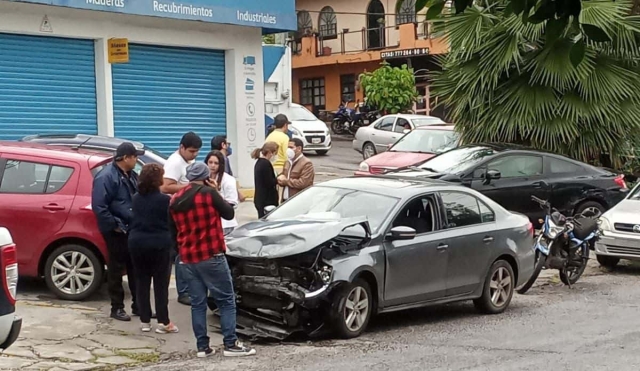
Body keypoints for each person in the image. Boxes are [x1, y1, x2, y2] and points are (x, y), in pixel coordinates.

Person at [169, 162, 256, 358]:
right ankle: (230, 343)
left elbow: (172, 230)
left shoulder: (175, 199)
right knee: (226, 300)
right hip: (211, 255)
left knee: (198, 303)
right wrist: (217, 191)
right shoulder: (209, 194)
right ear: (206, 177)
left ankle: (202, 347)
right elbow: (229, 213)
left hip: (188, 258)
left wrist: (182, 251)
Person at [92, 142, 143, 322]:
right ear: (127, 158)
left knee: (135, 268)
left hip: (132, 228)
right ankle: (117, 307)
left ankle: (139, 305)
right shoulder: (106, 177)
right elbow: (99, 206)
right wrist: (114, 225)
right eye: (135, 156)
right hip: (117, 230)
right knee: (116, 268)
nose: (137, 160)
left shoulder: (131, 175)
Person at [128, 164, 178, 334]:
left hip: (137, 242)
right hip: (159, 243)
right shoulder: (165, 200)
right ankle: (163, 321)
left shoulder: (135, 198)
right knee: (160, 283)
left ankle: (145, 320)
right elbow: (171, 223)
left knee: (141, 281)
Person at [161, 131, 203, 306]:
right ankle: (183, 291)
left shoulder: (187, 160)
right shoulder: (174, 163)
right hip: (176, 214)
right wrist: (190, 187)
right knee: (181, 253)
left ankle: (192, 287)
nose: (194, 155)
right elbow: (165, 187)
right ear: (182, 147)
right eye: (192, 151)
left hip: (189, 213)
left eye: (197, 152)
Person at [205, 150, 239, 235]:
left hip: (225, 225)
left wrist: (216, 192)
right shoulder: (203, 179)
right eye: (210, 162)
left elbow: (231, 204)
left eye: (216, 163)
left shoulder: (228, 180)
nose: (212, 165)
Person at [278, 138, 315, 202]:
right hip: (285, 200)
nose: (288, 150)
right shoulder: (287, 162)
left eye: (291, 147)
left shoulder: (306, 163)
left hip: (298, 201)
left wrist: (286, 181)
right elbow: (283, 176)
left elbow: (303, 183)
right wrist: (280, 179)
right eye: (288, 147)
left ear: (299, 149)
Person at [211, 135, 245, 203]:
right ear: (223, 145)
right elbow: (226, 178)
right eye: (228, 144)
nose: (229, 147)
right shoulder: (222, 159)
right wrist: (238, 193)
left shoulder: (213, 158)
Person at [251, 142, 279, 218]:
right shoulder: (265, 164)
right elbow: (269, 182)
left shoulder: (259, 162)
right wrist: (278, 180)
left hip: (260, 199)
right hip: (267, 201)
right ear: (270, 152)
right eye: (275, 153)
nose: (276, 155)